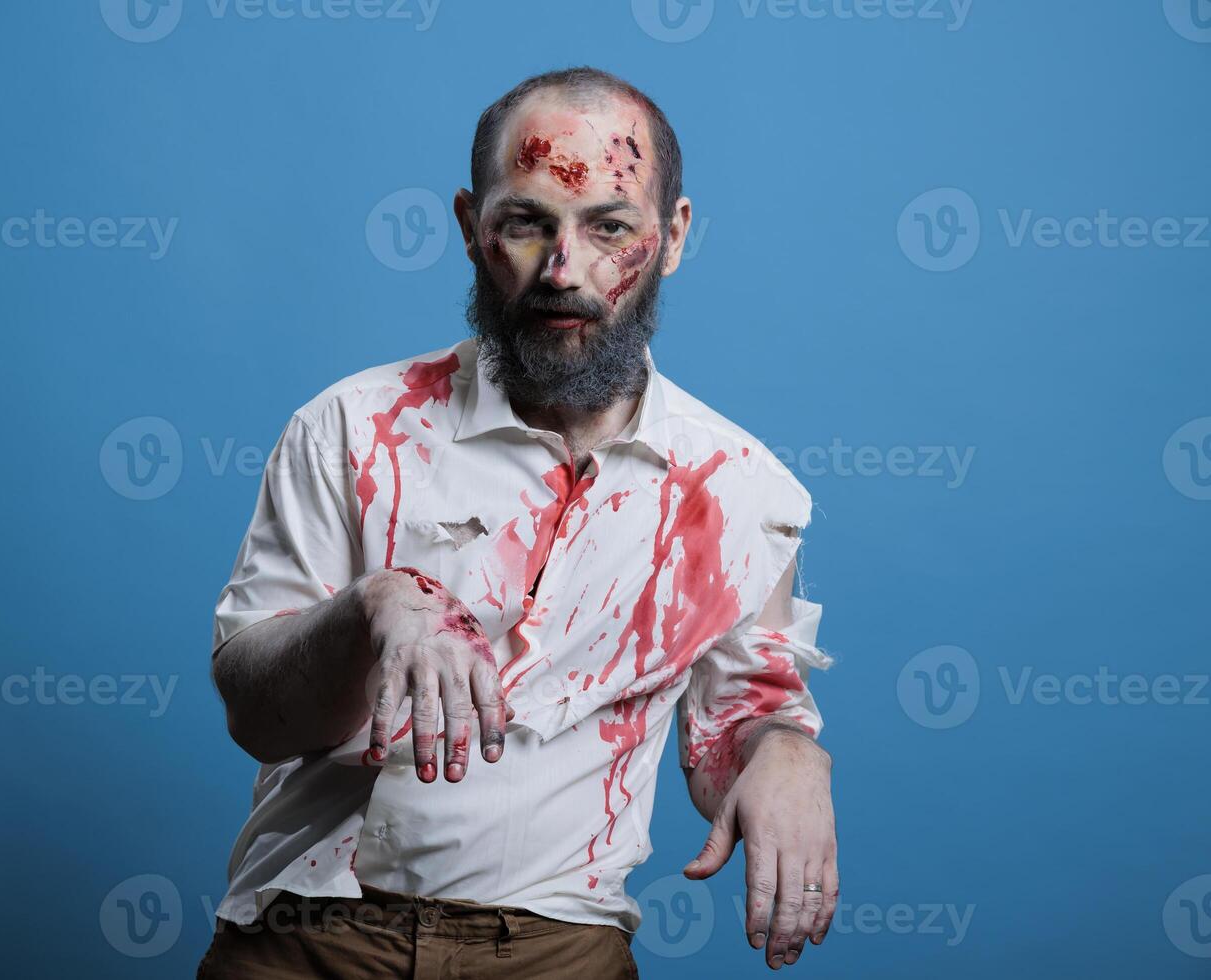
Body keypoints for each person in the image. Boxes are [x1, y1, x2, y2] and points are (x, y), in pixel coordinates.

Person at [200, 67, 838, 978]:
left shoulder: (741, 490)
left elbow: (735, 725)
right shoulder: (351, 428)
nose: (562, 271)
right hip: (310, 933)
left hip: (559, 949)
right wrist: (376, 607)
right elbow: (254, 714)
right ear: (471, 227)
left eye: (609, 226)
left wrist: (785, 753)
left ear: (673, 237)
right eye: (526, 223)